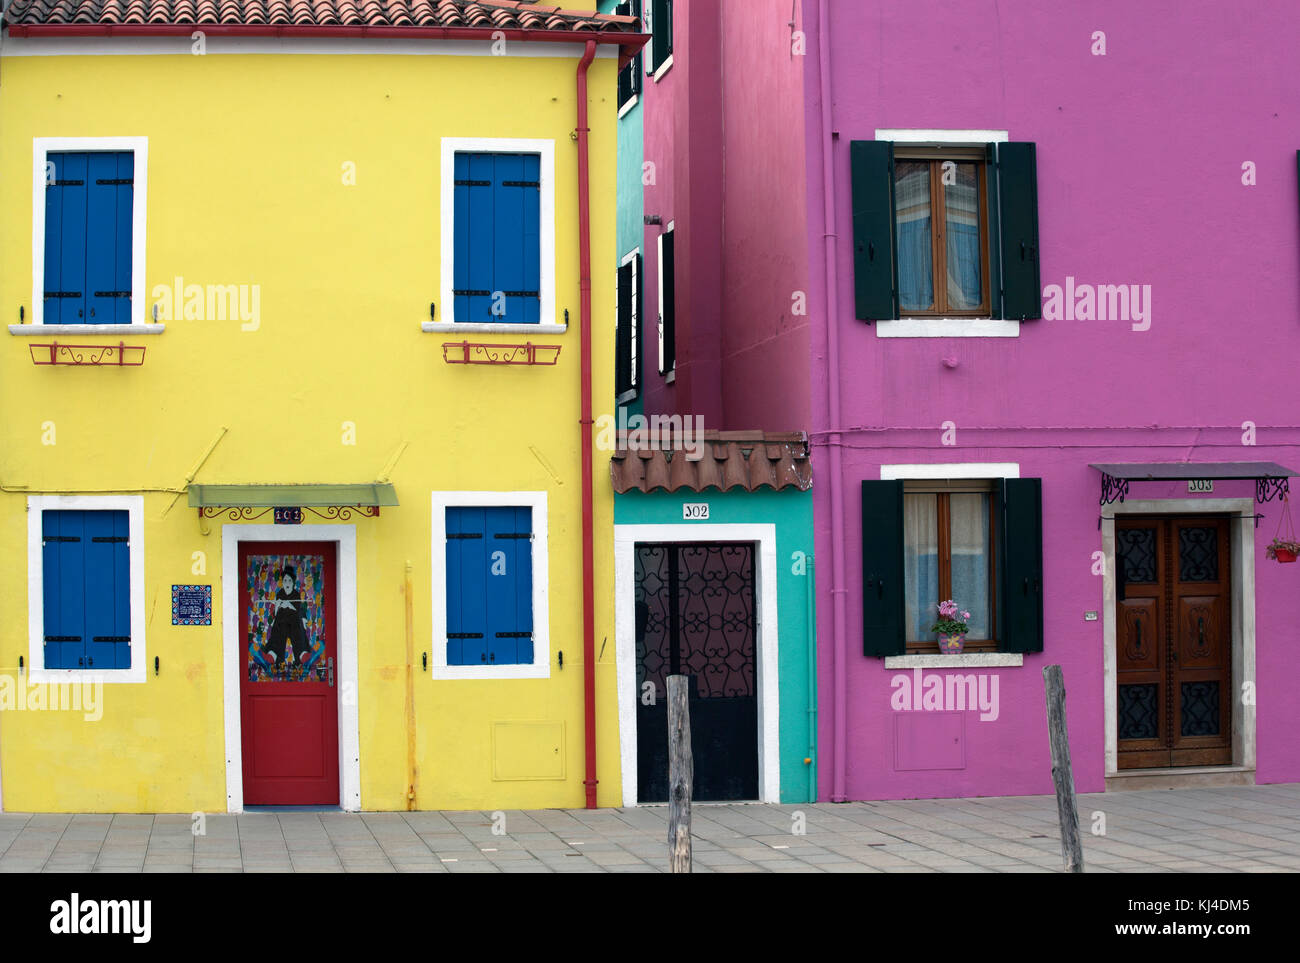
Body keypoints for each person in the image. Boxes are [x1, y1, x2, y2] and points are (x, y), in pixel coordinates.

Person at [263, 567, 309, 670]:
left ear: (293, 582)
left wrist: (290, 605)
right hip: (282, 622)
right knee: (277, 634)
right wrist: (278, 606)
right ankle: (273, 655)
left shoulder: (296, 594)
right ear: (282, 582)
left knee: (298, 634)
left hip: (294, 623)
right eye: (285, 580)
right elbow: (275, 613)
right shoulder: (280, 593)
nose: (287, 583)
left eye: (289, 580)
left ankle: (302, 654)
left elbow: (300, 610)